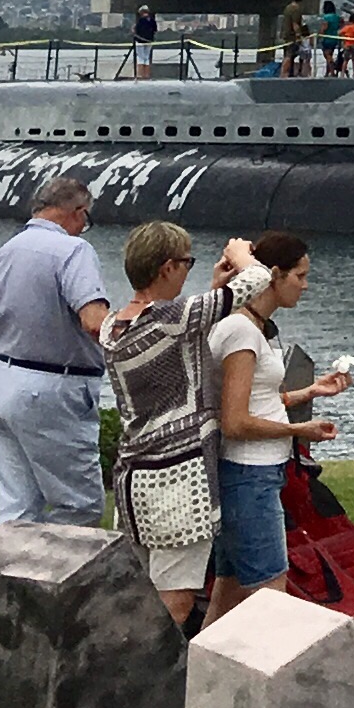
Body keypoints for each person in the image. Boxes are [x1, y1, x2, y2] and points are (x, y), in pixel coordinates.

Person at [201, 231, 350, 623]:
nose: (305, 285)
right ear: (275, 275)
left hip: (254, 473)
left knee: (229, 592)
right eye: (300, 276)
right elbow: (235, 421)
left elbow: (258, 400)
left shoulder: (253, 326)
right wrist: (300, 431)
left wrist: (310, 392)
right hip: (248, 475)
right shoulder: (241, 331)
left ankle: (196, 662)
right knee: (272, 595)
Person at [103, 221, 239, 628]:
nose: (187, 270)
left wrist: (214, 289)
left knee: (136, 593)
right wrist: (241, 254)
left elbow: (181, 341)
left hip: (133, 477)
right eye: (185, 263)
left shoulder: (114, 325)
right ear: (166, 268)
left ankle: (122, 657)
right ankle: (147, 665)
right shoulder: (172, 317)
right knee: (175, 601)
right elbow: (256, 282)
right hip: (177, 480)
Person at [0, 171, 111, 526]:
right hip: (48, 387)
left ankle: (7, 561)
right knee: (79, 506)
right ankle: (51, 564)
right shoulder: (74, 250)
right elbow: (95, 322)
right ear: (78, 212)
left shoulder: (4, 252)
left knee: (15, 503)